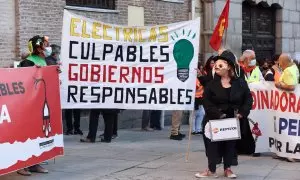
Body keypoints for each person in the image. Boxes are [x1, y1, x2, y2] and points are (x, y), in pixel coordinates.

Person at [195, 50, 253, 178]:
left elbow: (248, 99)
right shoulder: (211, 84)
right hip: (214, 118)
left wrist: (242, 113)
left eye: (221, 64)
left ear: (229, 67)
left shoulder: (240, 83)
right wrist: (217, 114)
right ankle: (211, 169)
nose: (216, 66)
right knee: (212, 145)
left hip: (233, 118)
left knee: (230, 144)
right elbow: (207, 101)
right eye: (216, 64)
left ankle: (228, 168)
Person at [17, 35, 49, 176]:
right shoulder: (28, 62)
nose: (46, 47)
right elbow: (23, 82)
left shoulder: (42, 60)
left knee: (37, 135)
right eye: (44, 45)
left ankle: (35, 163)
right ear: (37, 47)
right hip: (27, 106)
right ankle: (22, 165)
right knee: (26, 136)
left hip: (40, 104)